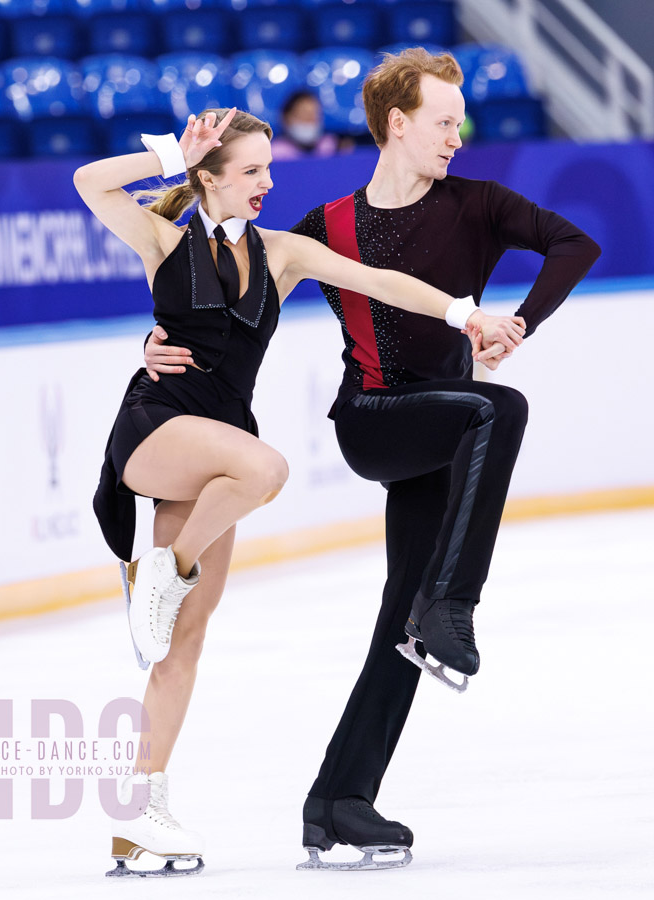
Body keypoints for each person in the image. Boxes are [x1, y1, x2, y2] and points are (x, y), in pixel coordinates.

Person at [144, 48, 601, 871]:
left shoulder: (480, 204)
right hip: (374, 419)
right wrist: (158, 345)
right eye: (442, 122)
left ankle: (339, 801)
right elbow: (225, 298)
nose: (457, 136)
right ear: (398, 124)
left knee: (402, 619)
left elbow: (574, 243)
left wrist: (520, 322)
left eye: (458, 123)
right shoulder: (327, 225)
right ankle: (453, 607)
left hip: (445, 426)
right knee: (500, 411)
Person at [75, 104, 525, 877]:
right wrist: (167, 153)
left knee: (183, 642)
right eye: (250, 171)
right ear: (208, 176)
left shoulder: (282, 252)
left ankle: (138, 817)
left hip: (216, 448)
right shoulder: (164, 238)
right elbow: (89, 182)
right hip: (157, 429)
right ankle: (160, 572)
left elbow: (378, 279)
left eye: (269, 169)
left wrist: (463, 313)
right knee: (267, 469)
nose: (267, 183)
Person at [271, 90, 354, 161]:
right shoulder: (274, 152)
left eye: (314, 114)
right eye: (304, 114)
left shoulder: (332, 147)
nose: (310, 120)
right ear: (287, 117)